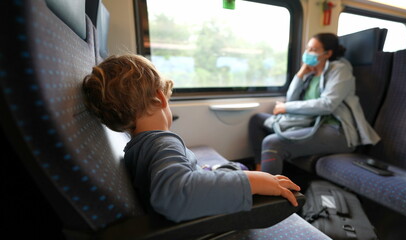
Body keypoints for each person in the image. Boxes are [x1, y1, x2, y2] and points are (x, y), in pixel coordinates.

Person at [81, 54, 301, 223]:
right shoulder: (162, 143)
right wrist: (255, 181)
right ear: (159, 97)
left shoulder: (138, 146)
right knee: (249, 173)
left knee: (237, 167)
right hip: (205, 225)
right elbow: (175, 195)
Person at [248, 33, 380, 174]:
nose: (307, 53)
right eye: (307, 49)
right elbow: (291, 99)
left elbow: (327, 105)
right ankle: (260, 170)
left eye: (313, 50)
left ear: (327, 53)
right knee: (257, 120)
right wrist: (300, 74)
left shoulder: (340, 70)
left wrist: (285, 107)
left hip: (336, 130)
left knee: (272, 142)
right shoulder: (311, 74)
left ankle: (270, 191)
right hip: (309, 123)